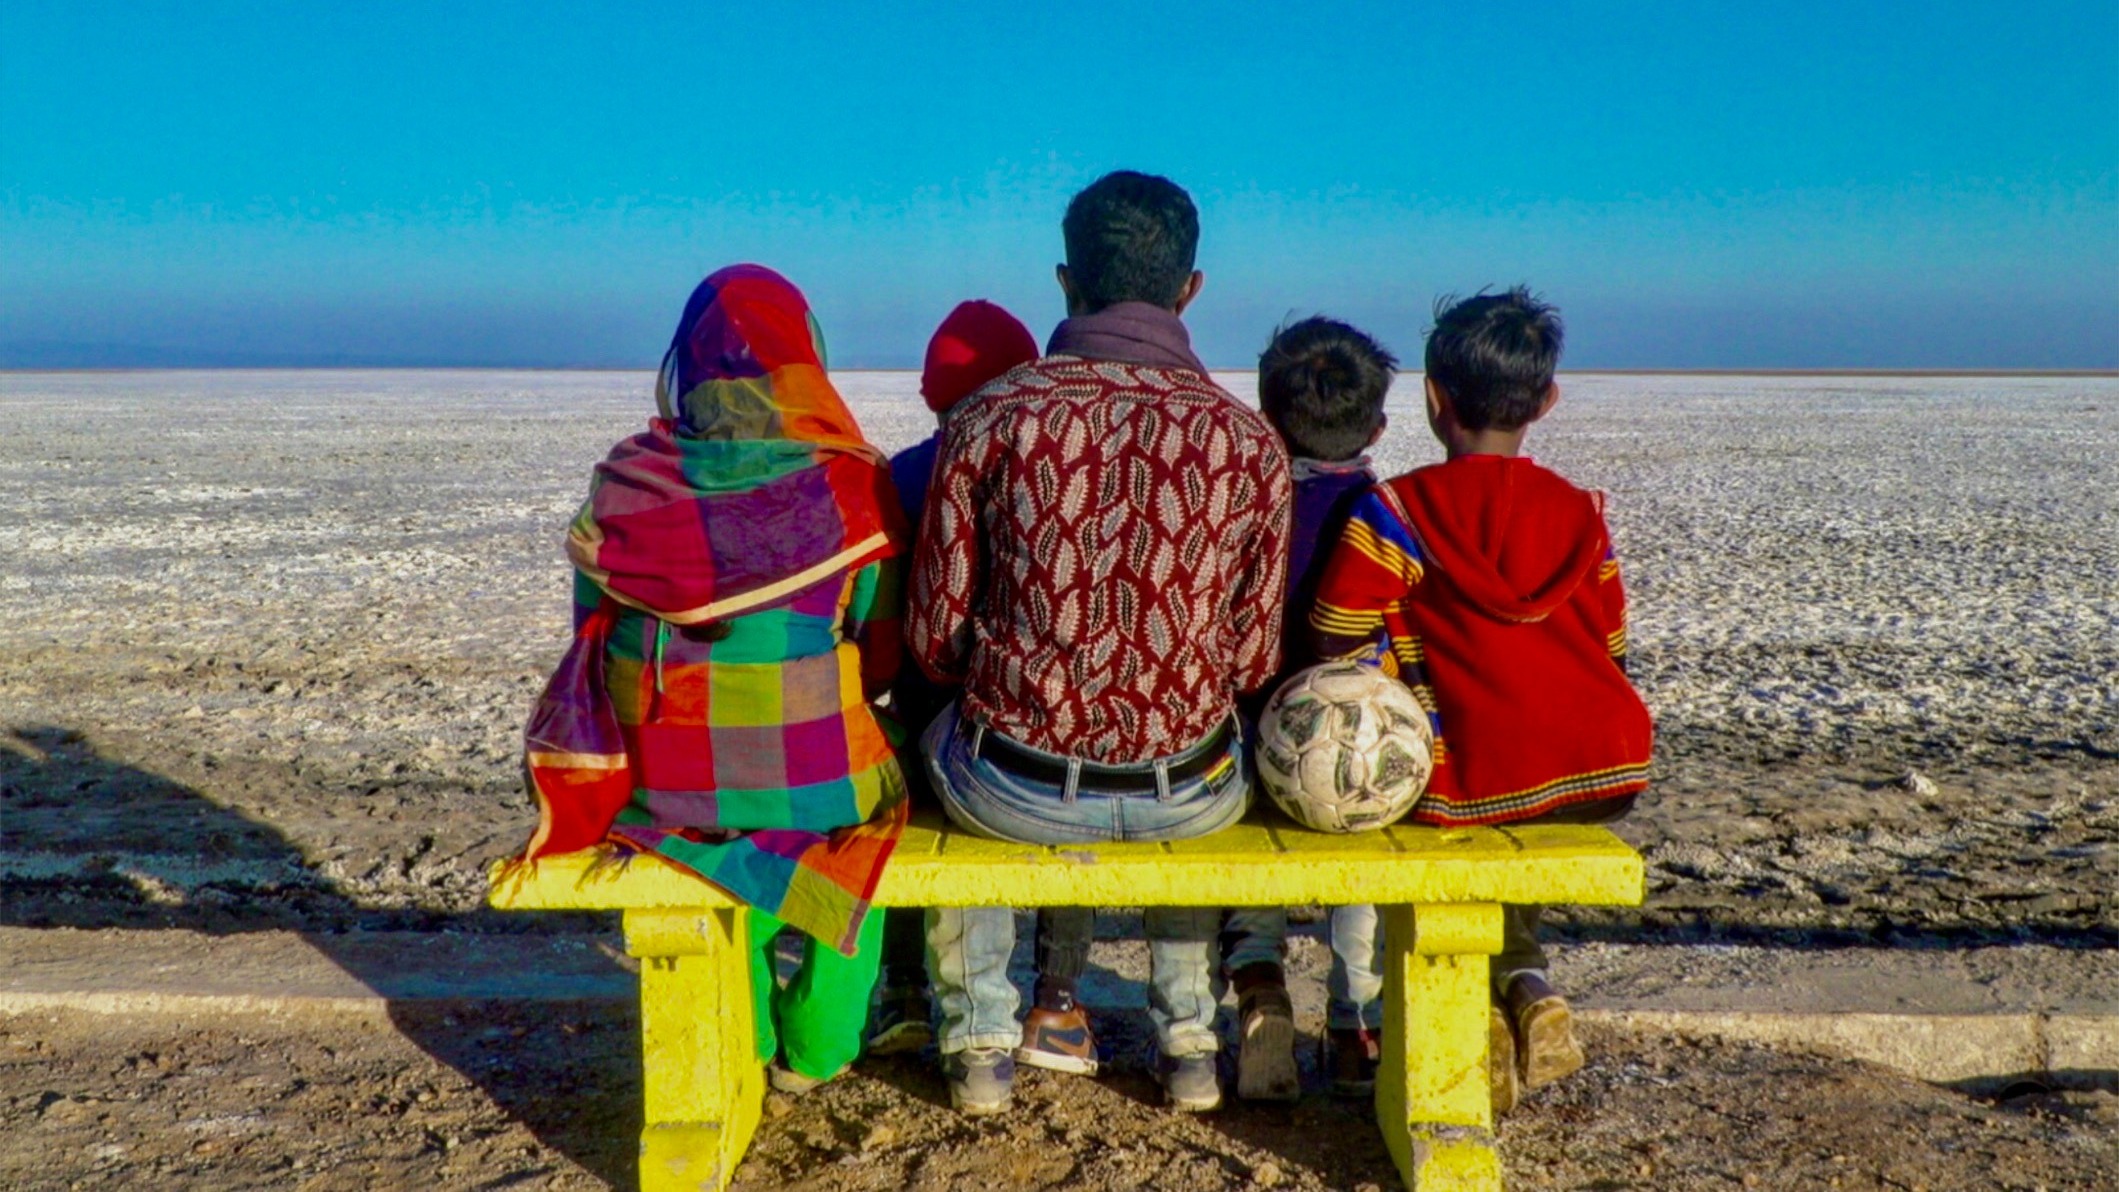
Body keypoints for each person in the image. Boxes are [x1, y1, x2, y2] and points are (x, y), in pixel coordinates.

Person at [907, 170, 1293, 1115]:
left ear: (1064, 282)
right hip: (1184, 792)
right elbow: (1249, 661)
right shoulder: (1248, 444)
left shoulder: (991, 420)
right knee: (1208, 750)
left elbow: (935, 641)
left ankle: (981, 1046)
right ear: (1189, 289)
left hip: (1013, 788)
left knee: (937, 745)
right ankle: (1191, 1049)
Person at [517, 264, 910, 1096]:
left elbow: (591, 628)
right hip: (808, 779)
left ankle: (752, 1026)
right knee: (856, 834)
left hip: (656, 786)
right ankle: (818, 1045)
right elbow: (879, 659)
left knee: (724, 835)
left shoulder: (625, 483)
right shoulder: (850, 486)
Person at [1308, 287, 1652, 1110]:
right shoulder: (1580, 513)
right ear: (1545, 400)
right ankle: (1525, 983)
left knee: (1470, 799)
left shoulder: (1397, 510)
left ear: (1431, 398)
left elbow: (1334, 631)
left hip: (1466, 773)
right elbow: (1609, 642)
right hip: (1599, 762)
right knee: (1523, 808)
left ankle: (1468, 1021)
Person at [868, 299, 1072, 1060]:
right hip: (1029, 711)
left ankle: (902, 992)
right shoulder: (1051, 468)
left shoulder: (904, 474)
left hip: (927, 697)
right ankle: (1057, 998)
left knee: (907, 817)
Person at [1219, 316, 1400, 1101]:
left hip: (1248, 732)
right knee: (1362, 863)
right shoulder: (1391, 514)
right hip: (1358, 745)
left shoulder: (1233, 505)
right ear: (1380, 425)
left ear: (1263, 418)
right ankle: (1357, 1024)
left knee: (1237, 848)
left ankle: (1259, 987)